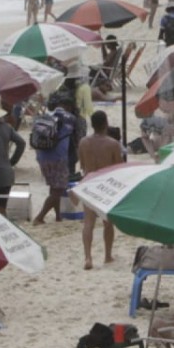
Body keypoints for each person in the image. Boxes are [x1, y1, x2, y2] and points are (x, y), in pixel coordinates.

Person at [77, 110, 123, 269]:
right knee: (108, 223)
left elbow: (82, 165)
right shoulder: (113, 144)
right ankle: (107, 255)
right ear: (106, 124)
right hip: (106, 184)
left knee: (88, 223)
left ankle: (88, 257)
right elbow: (119, 167)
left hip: (89, 181)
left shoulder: (83, 142)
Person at [33, 97, 76, 225]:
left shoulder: (44, 116)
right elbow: (77, 137)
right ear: (68, 106)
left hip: (42, 156)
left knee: (54, 187)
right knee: (59, 189)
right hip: (58, 157)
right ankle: (40, 217)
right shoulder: (69, 118)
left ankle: (58, 216)